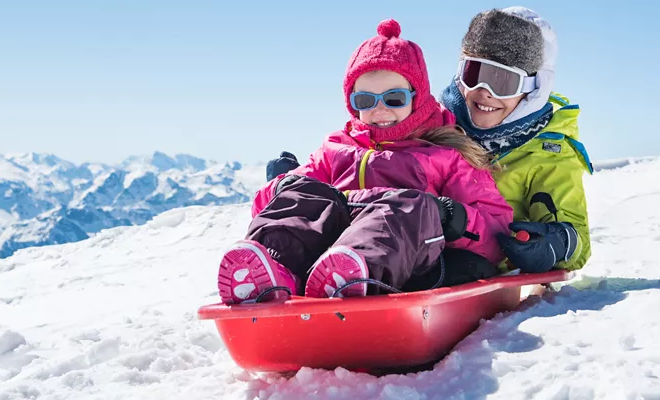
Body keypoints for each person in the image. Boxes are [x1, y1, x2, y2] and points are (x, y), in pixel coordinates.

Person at [217, 19, 512, 304]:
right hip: (325, 254)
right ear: (352, 104)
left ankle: (352, 276)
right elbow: (278, 208)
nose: (380, 109)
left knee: (412, 206)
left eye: (394, 99)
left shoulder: (445, 155)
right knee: (306, 192)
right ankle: (272, 271)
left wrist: (452, 218)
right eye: (365, 101)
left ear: (417, 97)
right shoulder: (335, 148)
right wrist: (283, 184)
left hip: (409, 264)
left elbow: (495, 232)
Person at [439, 6, 592, 273]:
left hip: (480, 265)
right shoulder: (435, 129)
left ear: (533, 89)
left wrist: (555, 242)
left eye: (502, 81)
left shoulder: (547, 153)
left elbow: (575, 233)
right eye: (474, 74)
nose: (484, 92)